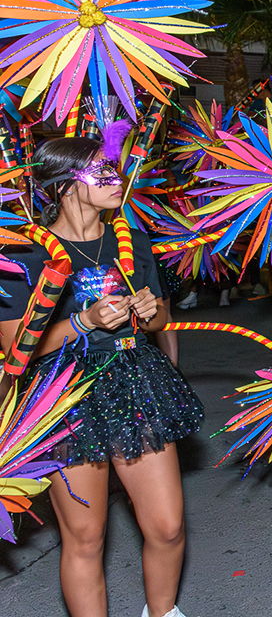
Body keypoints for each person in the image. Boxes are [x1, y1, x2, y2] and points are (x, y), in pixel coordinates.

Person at [0, 138, 201, 617]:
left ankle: (164, 613)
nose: (116, 181)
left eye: (113, 171)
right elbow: (17, 350)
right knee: (86, 537)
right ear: (66, 184)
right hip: (63, 395)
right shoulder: (20, 254)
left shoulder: (129, 238)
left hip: (135, 378)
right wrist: (85, 322)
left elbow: (156, 321)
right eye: (101, 173)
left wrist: (150, 313)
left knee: (168, 526)